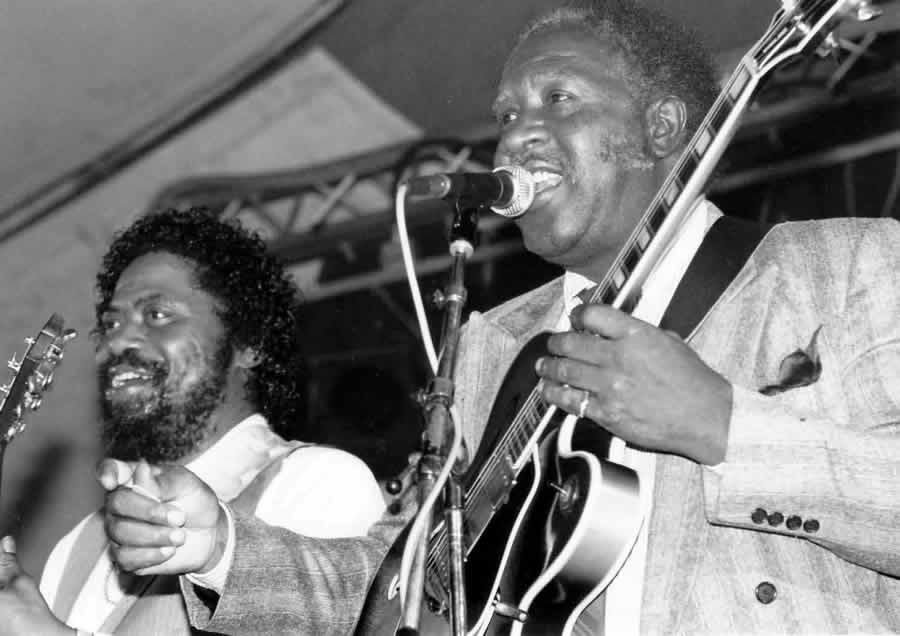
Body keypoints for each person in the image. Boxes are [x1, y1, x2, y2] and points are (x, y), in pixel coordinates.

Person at [94, 1, 900, 634]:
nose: (516, 136)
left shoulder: (845, 268)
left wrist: (722, 426)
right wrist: (221, 550)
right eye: (507, 113)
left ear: (659, 127)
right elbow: (409, 586)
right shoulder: (495, 344)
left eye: (557, 98)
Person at [0, 208, 386, 635]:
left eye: (157, 315)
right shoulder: (76, 548)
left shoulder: (319, 482)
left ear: (247, 343)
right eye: (110, 322)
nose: (118, 340)